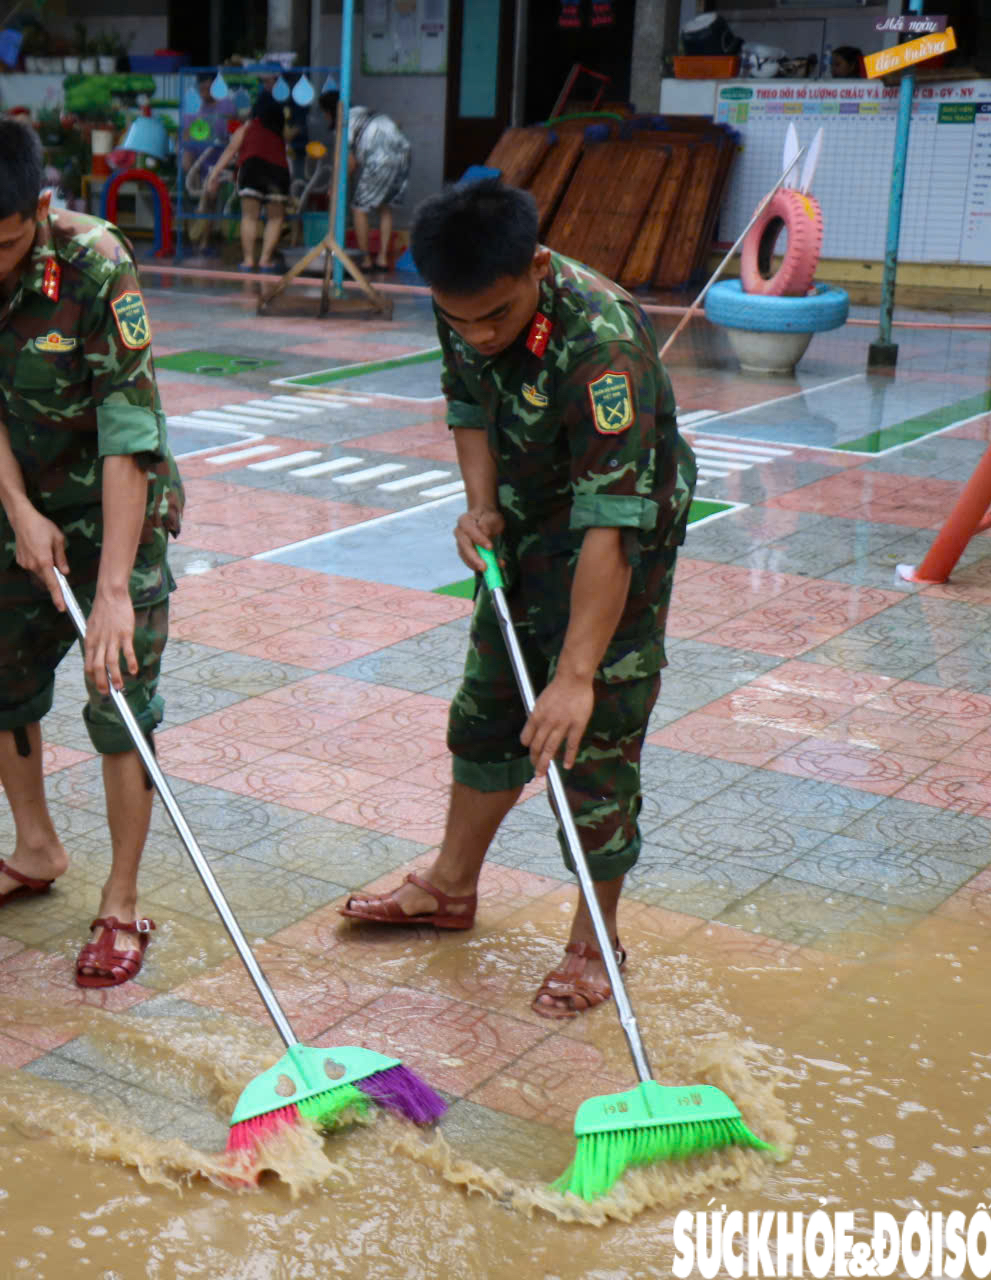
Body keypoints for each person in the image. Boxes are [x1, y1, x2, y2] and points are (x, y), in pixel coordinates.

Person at [337, 178, 696, 1020]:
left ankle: (593, 941)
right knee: (489, 709)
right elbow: (467, 399)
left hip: (618, 533)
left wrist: (577, 674)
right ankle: (451, 886)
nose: (478, 334)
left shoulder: (604, 346)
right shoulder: (463, 294)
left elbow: (609, 528)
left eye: (496, 317)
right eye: (459, 319)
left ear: (537, 265)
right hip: (529, 515)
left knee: (590, 743)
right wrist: (480, 503)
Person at [0, 114, 185, 989]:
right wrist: (19, 512)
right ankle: (37, 850)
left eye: (1, 244)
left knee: (119, 699)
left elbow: (127, 431)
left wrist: (112, 590)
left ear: (40, 207)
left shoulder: (98, 262)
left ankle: (120, 899)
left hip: (120, 504)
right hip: (27, 500)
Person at [320, 92, 411, 272]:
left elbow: (349, 162)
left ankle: (366, 260)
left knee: (359, 209)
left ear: (329, 112)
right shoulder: (363, 112)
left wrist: (334, 185)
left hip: (380, 159)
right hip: (403, 155)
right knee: (385, 206)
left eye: (324, 113)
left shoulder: (344, 123)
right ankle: (383, 258)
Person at [205, 92, 292, 272]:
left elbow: (230, 150)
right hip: (278, 173)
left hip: (252, 170)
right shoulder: (279, 134)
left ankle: (248, 260)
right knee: (275, 218)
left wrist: (214, 175)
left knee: (249, 217)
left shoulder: (248, 128)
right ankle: (266, 260)